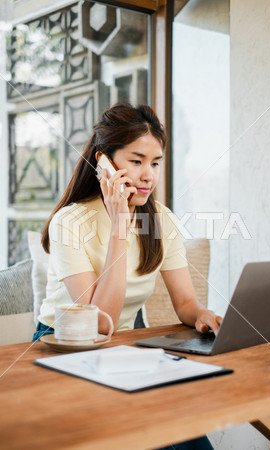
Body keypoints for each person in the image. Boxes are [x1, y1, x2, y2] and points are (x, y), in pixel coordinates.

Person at [33, 102, 221, 450]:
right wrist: (119, 224)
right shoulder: (70, 222)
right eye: (136, 161)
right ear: (104, 163)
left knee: (184, 427)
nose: (148, 174)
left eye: (155, 162)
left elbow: (184, 303)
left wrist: (202, 315)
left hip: (122, 348)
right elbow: (99, 322)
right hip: (61, 348)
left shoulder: (160, 219)